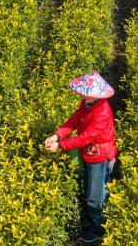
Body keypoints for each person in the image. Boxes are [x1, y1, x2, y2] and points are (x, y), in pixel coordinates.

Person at [44, 71, 118, 243]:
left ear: (93, 94)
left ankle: (98, 228)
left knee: (96, 195)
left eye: (84, 92)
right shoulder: (87, 104)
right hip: (90, 152)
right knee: (90, 189)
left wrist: (61, 146)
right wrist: (57, 135)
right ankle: (93, 219)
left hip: (101, 156)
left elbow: (86, 137)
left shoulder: (102, 112)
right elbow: (74, 120)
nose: (81, 94)